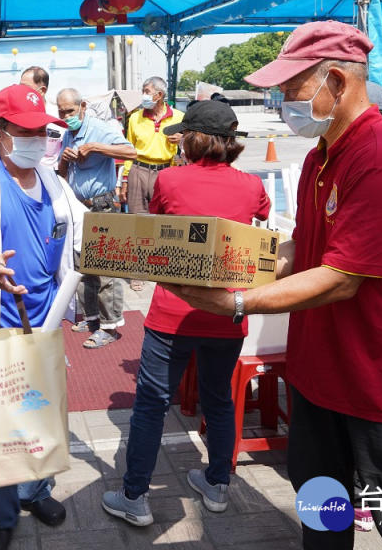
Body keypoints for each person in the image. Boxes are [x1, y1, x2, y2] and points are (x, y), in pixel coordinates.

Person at [163, 21, 382, 550]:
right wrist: (230, 268)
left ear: (339, 83)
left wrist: (235, 302)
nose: (282, 102)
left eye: (291, 88)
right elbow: (302, 248)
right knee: (321, 502)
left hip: (381, 376)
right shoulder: (319, 157)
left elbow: (343, 279)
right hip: (321, 367)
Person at [102, 100, 269, 525]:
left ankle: (134, 495)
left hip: (173, 311)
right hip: (228, 311)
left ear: (192, 139)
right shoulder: (251, 184)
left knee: (151, 404)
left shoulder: (169, 180)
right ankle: (217, 485)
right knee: (218, 399)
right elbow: (263, 217)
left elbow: (158, 223)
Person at [0, 83, 85, 550]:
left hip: (46, 315)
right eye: (23, 132)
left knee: (40, 410)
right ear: (0, 131)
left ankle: (37, 489)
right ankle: (3, 514)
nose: (34, 140)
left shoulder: (53, 180)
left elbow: (82, 230)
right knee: (2, 418)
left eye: (41, 131)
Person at [55, 87, 136, 348]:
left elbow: (131, 152)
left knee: (105, 268)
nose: (66, 116)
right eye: (61, 112)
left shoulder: (99, 129)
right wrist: (65, 161)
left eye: (70, 110)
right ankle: (92, 318)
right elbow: (62, 174)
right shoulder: (68, 134)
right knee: (82, 266)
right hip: (79, 206)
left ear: (83, 106)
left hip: (102, 205)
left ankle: (110, 325)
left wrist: (96, 148)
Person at [120, 77, 183, 291]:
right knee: (139, 222)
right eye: (143, 91)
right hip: (139, 169)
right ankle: (139, 272)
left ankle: (165, 269)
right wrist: (125, 179)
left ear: (160, 95)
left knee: (166, 223)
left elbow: (192, 148)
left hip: (166, 171)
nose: (144, 95)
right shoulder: (135, 118)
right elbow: (129, 150)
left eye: (147, 91)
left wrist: (182, 140)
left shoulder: (179, 117)